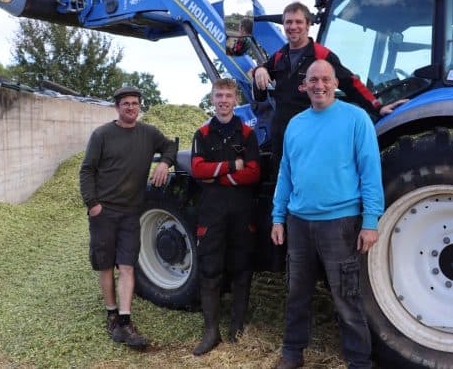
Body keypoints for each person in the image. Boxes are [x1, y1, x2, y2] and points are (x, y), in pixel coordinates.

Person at [270, 60, 384, 369]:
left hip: (341, 223)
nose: (319, 85)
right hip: (299, 222)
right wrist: (278, 217)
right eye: (313, 80)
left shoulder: (356, 119)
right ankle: (292, 353)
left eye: (325, 79)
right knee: (297, 294)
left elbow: (370, 173)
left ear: (335, 83)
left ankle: (359, 361)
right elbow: (285, 174)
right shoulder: (296, 124)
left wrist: (370, 221)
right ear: (303, 85)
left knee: (346, 297)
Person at [252, 1, 406, 173]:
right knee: (281, 185)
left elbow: (351, 82)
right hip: (282, 135)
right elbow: (260, 81)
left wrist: (378, 107)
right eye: (288, 22)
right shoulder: (280, 56)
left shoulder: (322, 55)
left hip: (312, 134)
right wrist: (261, 69)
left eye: (298, 22)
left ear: (308, 24)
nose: (293, 27)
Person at [79, 86, 176, 349]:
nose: (131, 107)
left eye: (134, 103)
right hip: (104, 211)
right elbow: (87, 170)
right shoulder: (102, 135)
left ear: (139, 106)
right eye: (125, 104)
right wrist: (93, 204)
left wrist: (165, 163)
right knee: (106, 264)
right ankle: (111, 314)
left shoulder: (148, 133)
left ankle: (125, 319)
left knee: (127, 265)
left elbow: (170, 145)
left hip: (132, 212)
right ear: (117, 107)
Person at [190, 78, 261, 355]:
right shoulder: (203, 133)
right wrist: (232, 167)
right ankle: (211, 332)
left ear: (235, 99)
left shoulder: (247, 133)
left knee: (242, 266)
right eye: (218, 95)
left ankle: (237, 326)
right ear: (212, 98)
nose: (223, 100)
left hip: (241, 212)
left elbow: (254, 172)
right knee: (210, 269)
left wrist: (218, 176)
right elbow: (198, 169)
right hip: (212, 212)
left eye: (228, 95)